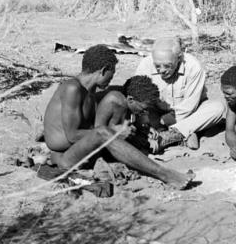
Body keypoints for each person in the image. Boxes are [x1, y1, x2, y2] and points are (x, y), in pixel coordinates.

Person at [43, 44, 194, 189]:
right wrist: (114, 132)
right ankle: (165, 175)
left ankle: (151, 160)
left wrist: (143, 119)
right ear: (103, 70)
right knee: (103, 132)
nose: (111, 79)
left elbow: (130, 94)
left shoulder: (89, 90)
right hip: (65, 157)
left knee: (115, 114)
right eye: (112, 74)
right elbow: (72, 135)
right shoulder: (72, 88)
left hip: (79, 150)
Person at [135, 36, 227, 153]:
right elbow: (137, 98)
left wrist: (164, 121)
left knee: (217, 108)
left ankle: (169, 136)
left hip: (187, 113)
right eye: (157, 65)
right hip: (156, 113)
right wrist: (146, 122)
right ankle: (189, 131)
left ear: (179, 58)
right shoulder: (145, 65)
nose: (161, 70)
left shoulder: (193, 67)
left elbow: (190, 106)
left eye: (167, 65)